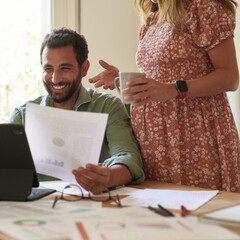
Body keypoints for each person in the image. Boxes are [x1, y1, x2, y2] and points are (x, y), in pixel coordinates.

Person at [88, 0, 240, 192]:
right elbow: (158, 83)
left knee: (197, 212)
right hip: (154, 142)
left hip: (194, 136)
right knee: (162, 215)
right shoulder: (153, 17)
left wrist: (174, 89)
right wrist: (121, 82)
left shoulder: (202, 8)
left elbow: (230, 77)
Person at [8, 28, 144, 194]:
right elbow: (4, 170)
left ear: (84, 68)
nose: (55, 78)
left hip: (92, 204)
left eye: (65, 68)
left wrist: (109, 176)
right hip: (40, 207)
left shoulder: (108, 107)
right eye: (48, 69)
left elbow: (127, 156)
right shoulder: (23, 115)